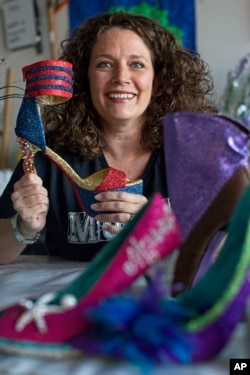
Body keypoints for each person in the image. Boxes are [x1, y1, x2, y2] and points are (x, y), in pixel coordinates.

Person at [0, 12, 217, 264]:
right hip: (76, 299)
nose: (121, 77)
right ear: (85, 78)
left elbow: (232, 246)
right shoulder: (48, 156)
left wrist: (164, 232)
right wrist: (23, 227)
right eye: (105, 64)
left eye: (137, 64)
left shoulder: (192, 154)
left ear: (158, 81)